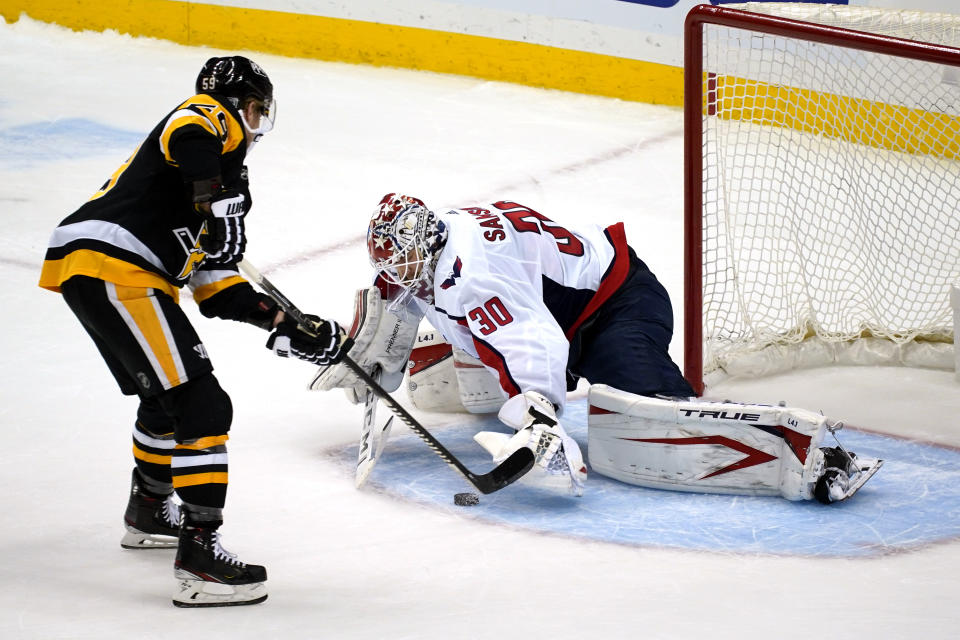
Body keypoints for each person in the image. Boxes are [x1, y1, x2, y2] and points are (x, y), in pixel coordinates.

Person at [38, 56, 347, 607]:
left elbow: (217, 291)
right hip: (117, 268)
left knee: (165, 400)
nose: (256, 127)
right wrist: (216, 200)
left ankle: (150, 509)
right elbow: (188, 126)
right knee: (204, 406)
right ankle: (201, 558)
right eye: (255, 111)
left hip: (100, 267)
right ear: (236, 104)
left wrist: (290, 327)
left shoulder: (209, 190)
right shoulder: (209, 127)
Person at [314, 193, 694, 496]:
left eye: (403, 263)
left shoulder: (474, 277)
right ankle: (474, 370)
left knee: (641, 410)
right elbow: (400, 288)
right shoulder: (437, 234)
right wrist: (373, 346)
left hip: (614, 303)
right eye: (391, 264)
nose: (396, 274)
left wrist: (539, 415)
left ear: (426, 243)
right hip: (551, 308)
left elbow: (534, 339)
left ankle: (686, 414)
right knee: (483, 326)